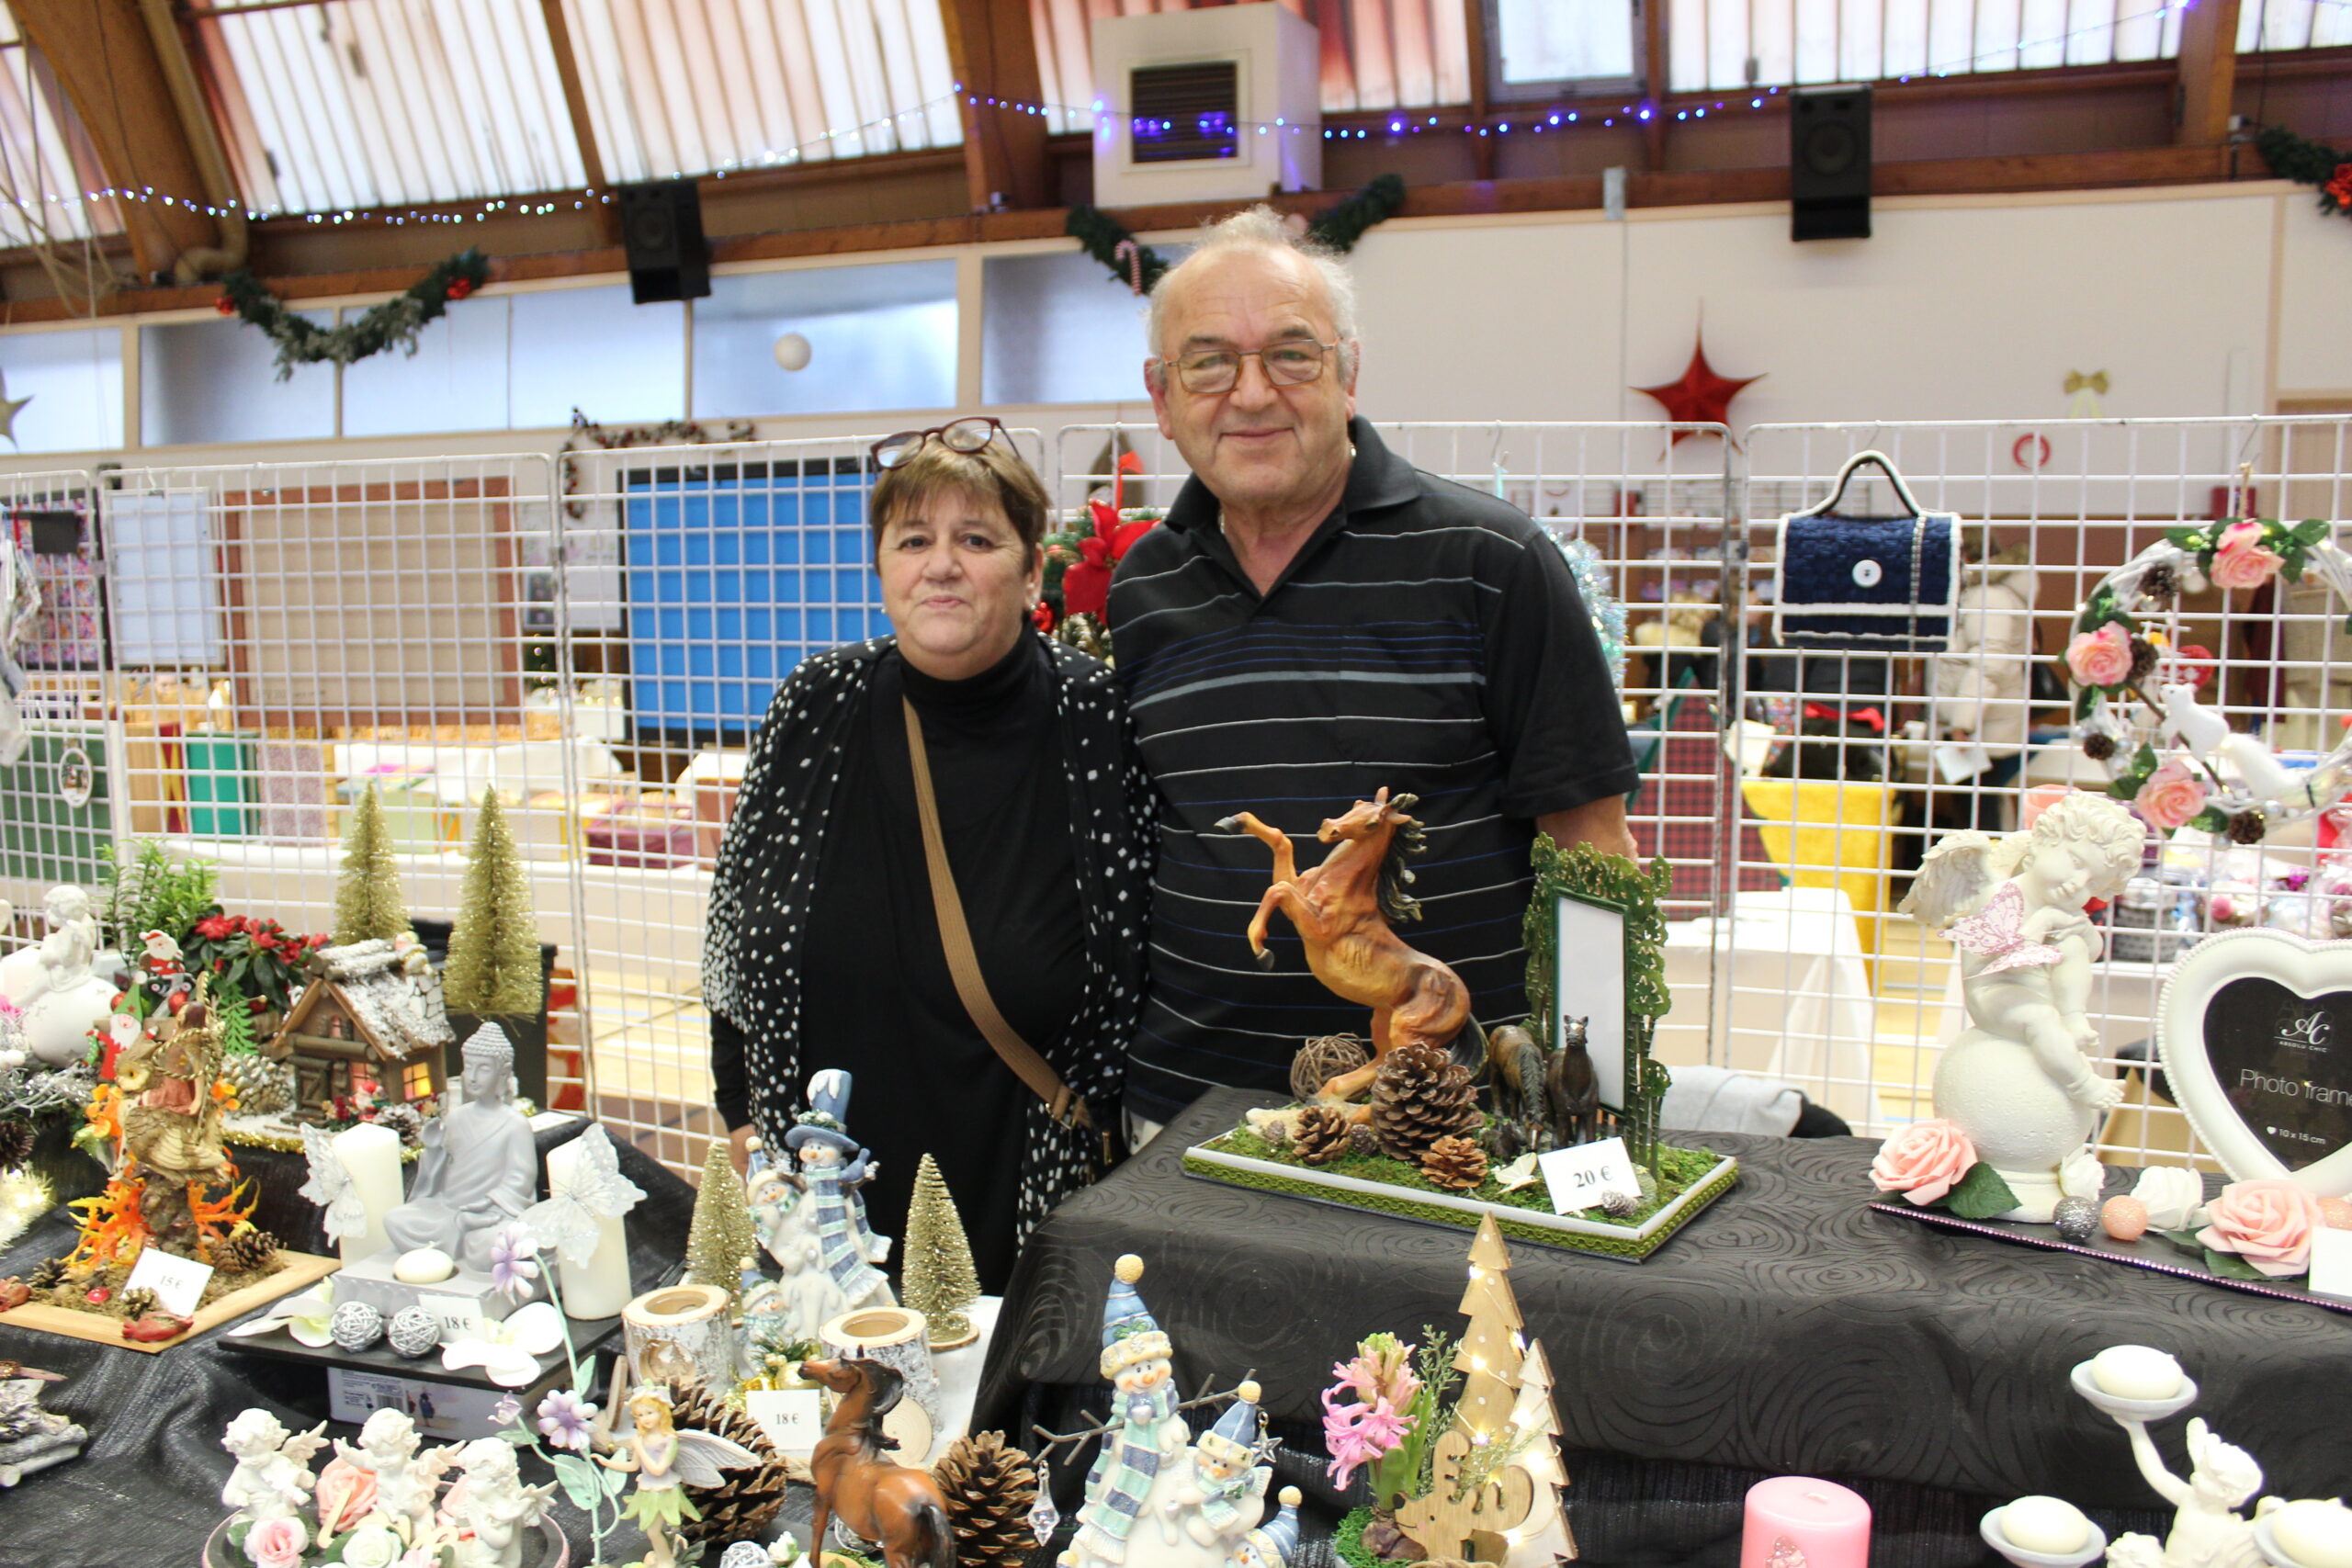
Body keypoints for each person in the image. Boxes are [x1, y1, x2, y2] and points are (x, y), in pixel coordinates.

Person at [1109, 208, 1639, 1135]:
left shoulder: (1492, 563)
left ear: (1348, 375)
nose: (1251, 393)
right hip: (1186, 1114)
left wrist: (1597, 1102)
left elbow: (1592, 846)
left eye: (1291, 355)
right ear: (1161, 397)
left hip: (1444, 1128)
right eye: (1208, 363)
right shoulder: (1143, 586)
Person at [703, 419, 1153, 1292]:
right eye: (913, 540)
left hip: (1026, 1181)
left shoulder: (1093, 717)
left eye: (976, 540)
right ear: (881, 569)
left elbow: (1139, 958)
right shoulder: (813, 706)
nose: (941, 565)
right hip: (825, 1195)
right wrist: (740, 1117)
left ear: (1032, 571)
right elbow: (731, 940)